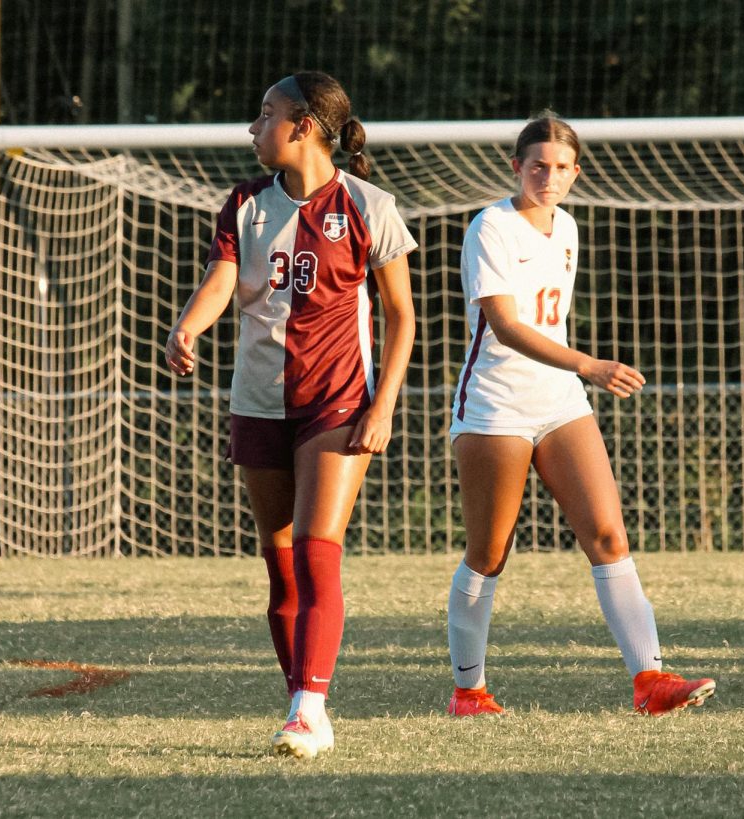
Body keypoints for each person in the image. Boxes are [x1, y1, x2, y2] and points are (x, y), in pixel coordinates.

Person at [165, 71, 417, 757]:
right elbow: (222, 279)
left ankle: (309, 708)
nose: (253, 127)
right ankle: (301, 697)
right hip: (257, 399)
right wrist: (188, 328)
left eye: (264, 113)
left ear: (303, 124)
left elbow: (402, 316)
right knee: (280, 564)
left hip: (337, 400)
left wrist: (384, 403)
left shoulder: (368, 205)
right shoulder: (244, 204)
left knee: (314, 551)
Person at [444, 114, 715, 718]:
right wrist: (588, 364)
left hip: (561, 401)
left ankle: (651, 682)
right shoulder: (490, 226)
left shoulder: (566, 227)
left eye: (562, 167)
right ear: (515, 167)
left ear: (576, 173)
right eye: (538, 165)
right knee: (489, 552)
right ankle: (469, 692)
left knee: (609, 535)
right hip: (495, 405)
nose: (550, 176)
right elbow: (507, 327)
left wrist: (576, 374)